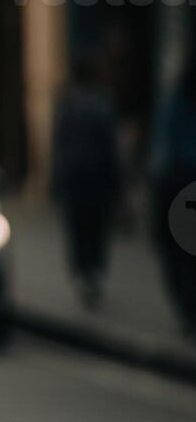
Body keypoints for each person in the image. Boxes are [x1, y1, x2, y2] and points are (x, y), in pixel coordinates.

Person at [50, 56, 124, 310]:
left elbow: (58, 146)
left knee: (78, 229)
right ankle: (94, 272)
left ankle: (84, 274)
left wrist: (56, 182)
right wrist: (117, 185)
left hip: (74, 179)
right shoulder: (102, 105)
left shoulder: (68, 104)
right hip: (97, 179)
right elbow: (112, 149)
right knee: (97, 229)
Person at [149, 60, 196, 337]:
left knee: (174, 253)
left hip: (175, 188)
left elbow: (162, 155)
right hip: (179, 186)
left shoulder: (173, 107)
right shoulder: (176, 108)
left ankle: (187, 308)